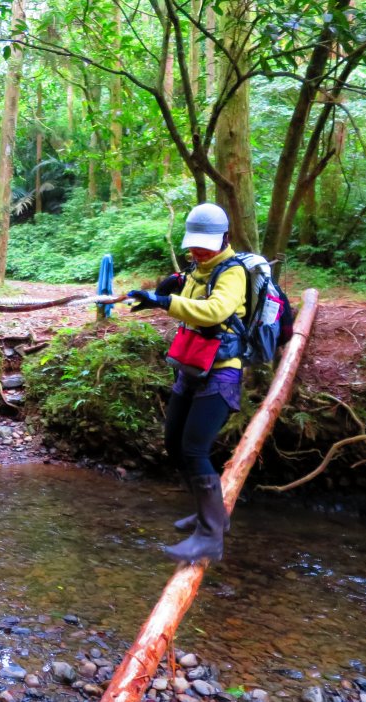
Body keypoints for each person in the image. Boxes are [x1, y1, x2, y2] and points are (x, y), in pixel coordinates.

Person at [127, 202, 247, 564]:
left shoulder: (232, 272)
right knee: (174, 443)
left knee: (195, 449)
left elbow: (215, 311)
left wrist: (164, 301)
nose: (197, 251)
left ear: (224, 239)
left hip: (222, 371)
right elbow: (187, 297)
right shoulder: (197, 270)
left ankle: (210, 537)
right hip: (192, 367)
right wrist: (166, 291)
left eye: (204, 246)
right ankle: (210, 514)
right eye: (194, 245)